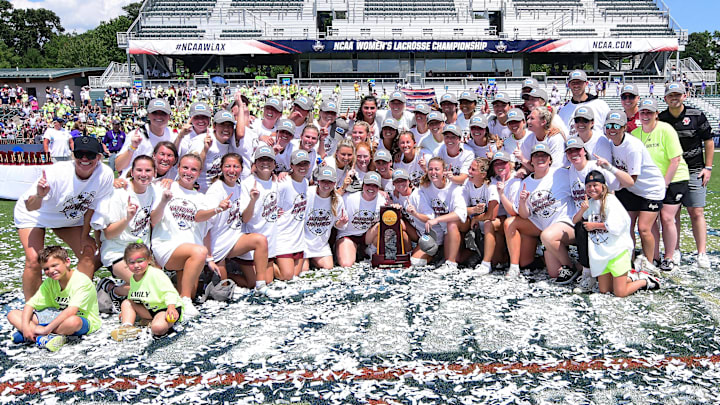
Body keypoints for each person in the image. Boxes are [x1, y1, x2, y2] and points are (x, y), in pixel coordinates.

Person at [15, 136, 114, 300]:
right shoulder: (57, 173)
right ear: (72, 155)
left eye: (89, 155)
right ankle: (32, 307)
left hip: (67, 216)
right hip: (35, 214)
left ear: (99, 157)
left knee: (88, 252)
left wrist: (84, 236)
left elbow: (92, 206)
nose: (84, 159)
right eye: (79, 154)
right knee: (34, 260)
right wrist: (40, 195)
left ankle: (76, 301)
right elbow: (30, 206)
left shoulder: (105, 174)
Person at [150, 153, 232, 317]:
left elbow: (200, 217)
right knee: (198, 252)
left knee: (192, 289)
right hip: (167, 245)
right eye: (185, 168)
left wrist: (217, 209)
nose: (188, 172)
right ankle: (185, 300)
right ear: (178, 168)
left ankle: (179, 293)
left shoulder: (201, 197)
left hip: (190, 250)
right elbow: (152, 217)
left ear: (199, 172)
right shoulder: (164, 187)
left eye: (193, 169)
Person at [572, 171, 660, 296]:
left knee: (620, 293)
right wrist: (582, 210)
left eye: (595, 185)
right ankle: (629, 278)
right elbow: (575, 221)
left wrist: (595, 226)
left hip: (617, 252)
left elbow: (617, 226)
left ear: (603, 186)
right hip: (601, 254)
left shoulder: (611, 201)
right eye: (588, 186)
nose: (592, 189)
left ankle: (644, 280)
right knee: (604, 290)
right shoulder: (590, 204)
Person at [659, 82, 714, 269]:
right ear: (665, 98)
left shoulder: (696, 115)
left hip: (694, 170)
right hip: (672, 171)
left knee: (696, 212)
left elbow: (708, 141)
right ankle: (675, 250)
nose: (674, 98)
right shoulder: (661, 118)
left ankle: (701, 253)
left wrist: (708, 167)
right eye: (670, 95)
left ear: (685, 96)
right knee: (672, 214)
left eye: (678, 94)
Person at [631, 98, 690, 272]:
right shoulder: (635, 134)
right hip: (651, 183)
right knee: (651, 221)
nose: (646, 115)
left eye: (650, 112)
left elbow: (675, 160)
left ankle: (669, 256)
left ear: (657, 114)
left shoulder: (666, 129)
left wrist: (664, 185)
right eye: (643, 112)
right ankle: (654, 256)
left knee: (666, 217)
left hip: (674, 178)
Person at [604, 110, 666, 274]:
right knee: (627, 226)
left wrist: (609, 168)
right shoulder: (610, 143)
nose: (612, 129)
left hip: (650, 189)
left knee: (644, 228)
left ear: (624, 127)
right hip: (630, 189)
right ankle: (629, 259)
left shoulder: (632, 146)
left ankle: (649, 263)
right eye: (609, 125)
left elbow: (632, 179)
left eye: (616, 126)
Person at [92, 156, 157, 308]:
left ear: (154, 173)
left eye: (148, 170)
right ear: (131, 172)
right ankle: (110, 289)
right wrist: (127, 218)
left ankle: (120, 291)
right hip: (117, 252)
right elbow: (108, 234)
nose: (143, 174)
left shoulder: (153, 189)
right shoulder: (119, 194)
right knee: (147, 288)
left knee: (157, 286)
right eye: (139, 170)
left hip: (141, 252)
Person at [7, 246, 101, 352]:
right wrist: (25, 327)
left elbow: (72, 311)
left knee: (73, 322)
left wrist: (46, 329)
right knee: (13, 314)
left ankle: (35, 335)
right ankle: (40, 338)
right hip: (55, 315)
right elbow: (30, 304)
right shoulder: (49, 282)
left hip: (81, 318)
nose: (51, 271)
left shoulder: (81, 281)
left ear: (67, 262)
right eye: (46, 269)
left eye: (55, 265)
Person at [505, 144, 576, 282]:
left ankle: (569, 267)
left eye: (544, 155)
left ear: (550, 159)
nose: (540, 158)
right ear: (531, 160)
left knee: (547, 236)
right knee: (554, 273)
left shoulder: (562, 173)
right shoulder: (525, 183)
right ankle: (514, 267)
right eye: (536, 155)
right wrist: (523, 202)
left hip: (565, 223)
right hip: (543, 226)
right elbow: (525, 215)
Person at [205, 153, 269, 289]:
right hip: (217, 244)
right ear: (221, 168)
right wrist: (209, 256)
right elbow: (205, 226)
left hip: (234, 238)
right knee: (222, 291)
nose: (232, 170)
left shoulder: (240, 188)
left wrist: (253, 200)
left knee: (260, 240)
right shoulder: (215, 189)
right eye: (228, 166)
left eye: (236, 166)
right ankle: (210, 278)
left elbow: (245, 218)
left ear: (241, 169)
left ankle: (261, 285)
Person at [110, 243, 182, 341]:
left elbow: (170, 292)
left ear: (148, 259)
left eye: (140, 261)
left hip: (166, 309)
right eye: (132, 262)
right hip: (150, 309)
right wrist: (126, 312)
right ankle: (127, 327)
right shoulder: (133, 278)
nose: (136, 265)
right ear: (126, 264)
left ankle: (155, 322)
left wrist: (171, 307)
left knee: (158, 328)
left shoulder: (156, 274)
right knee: (127, 303)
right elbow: (134, 296)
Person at [239, 146, 280, 296]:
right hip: (252, 243)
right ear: (255, 163)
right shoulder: (247, 184)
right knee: (252, 283)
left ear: (274, 164)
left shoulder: (277, 183)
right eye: (261, 160)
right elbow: (245, 218)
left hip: (269, 245)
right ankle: (223, 279)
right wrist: (252, 200)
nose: (265, 163)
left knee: (268, 280)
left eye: (269, 160)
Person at [419, 157, 468, 273]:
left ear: (444, 171)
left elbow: (461, 213)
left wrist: (437, 220)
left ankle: (451, 264)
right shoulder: (425, 187)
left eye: (437, 169)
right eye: (430, 169)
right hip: (444, 229)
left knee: (451, 224)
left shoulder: (454, 188)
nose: (433, 172)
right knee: (458, 257)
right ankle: (473, 254)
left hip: (461, 224)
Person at [336, 172, 387, 267]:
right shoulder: (348, 197)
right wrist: (340, 223)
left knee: (383, 225)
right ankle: (353, 250)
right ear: (363, 185)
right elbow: (332, 200)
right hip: (348, 234)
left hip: (367, 235)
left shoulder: (382, 201)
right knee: (346, 264)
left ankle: (370, 250)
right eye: (368, 184)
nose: (371, 188)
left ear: (379, 188)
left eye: (375, 186)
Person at [275, 150, 311, 280]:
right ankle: (263, 262)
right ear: (292, 165)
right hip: (283, 236)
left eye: (305, 164)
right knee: (287, 275)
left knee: (295, 275)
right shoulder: (283, 183)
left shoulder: (306, 182)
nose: (302, 167)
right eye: (298, 164)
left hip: (298, 239)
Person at [115, 98, 175, 177]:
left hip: (159, 184)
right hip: (133, 182)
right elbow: (118, 166)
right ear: (148, 115)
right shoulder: (136, 135)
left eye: (163, 113)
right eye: (155, 113)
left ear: (169, 116)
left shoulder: (173, 135)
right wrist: (132, 147)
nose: (159, 116)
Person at [303, 166, 348, 271]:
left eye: (330, 181)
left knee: (328, 267)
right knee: (303, 271)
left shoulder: (338, 199)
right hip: (303, 243)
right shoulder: (307, 193)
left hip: (321, 244)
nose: (326, 185)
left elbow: (340, 226)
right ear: (318, 181)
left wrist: (340, 223)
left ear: (334, 183)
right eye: (323, 181)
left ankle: (313, 260)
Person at [461, 157, 500, 275]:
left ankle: (486, 264)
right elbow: (459, 209)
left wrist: (477, 217)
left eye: (473, 170)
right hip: (477, 225)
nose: (469, 172)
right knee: (458, 220)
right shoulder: (468, 184)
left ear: (483, 175)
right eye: (469, 168)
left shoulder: (491, 186)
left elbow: (492, 215)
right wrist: (472, 210)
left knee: (488, 223)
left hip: (495, 225)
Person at [190, 110, 237, 193]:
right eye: (222, 125)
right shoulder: (201, 140)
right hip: (198, 191)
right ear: (214, 126)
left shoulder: (230, 143)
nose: (226, 129)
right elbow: (192, 166)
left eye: (229, 126)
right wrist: (205, 149)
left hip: (217, 191)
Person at [557, 70, 610, 138]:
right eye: (573, 83)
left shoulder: (601, 105)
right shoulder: (563, 111)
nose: (576, 85)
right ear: (569, 85)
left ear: (586, 83)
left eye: (579, 82)